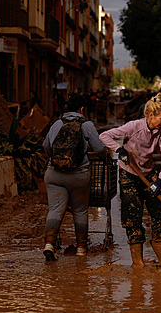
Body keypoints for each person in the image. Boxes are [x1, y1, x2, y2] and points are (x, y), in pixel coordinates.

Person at [99, 93, 161, 268]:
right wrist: (120, 150)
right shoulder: (133, 127)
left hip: (148, 173)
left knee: (160, 212)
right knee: (133, 216)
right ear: (150, 116)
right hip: (129, 174)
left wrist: (160, 181)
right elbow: (105, 136)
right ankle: (138, 261)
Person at [42, 94, 107, 261]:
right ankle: (81, 248)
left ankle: (49, 244)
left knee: (55, 209)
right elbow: (99, 149)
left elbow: (46, 146)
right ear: (82, 109)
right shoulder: (87, 125)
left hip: (54, 174)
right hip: (78, 176)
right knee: (80, 210)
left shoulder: (56, 124)